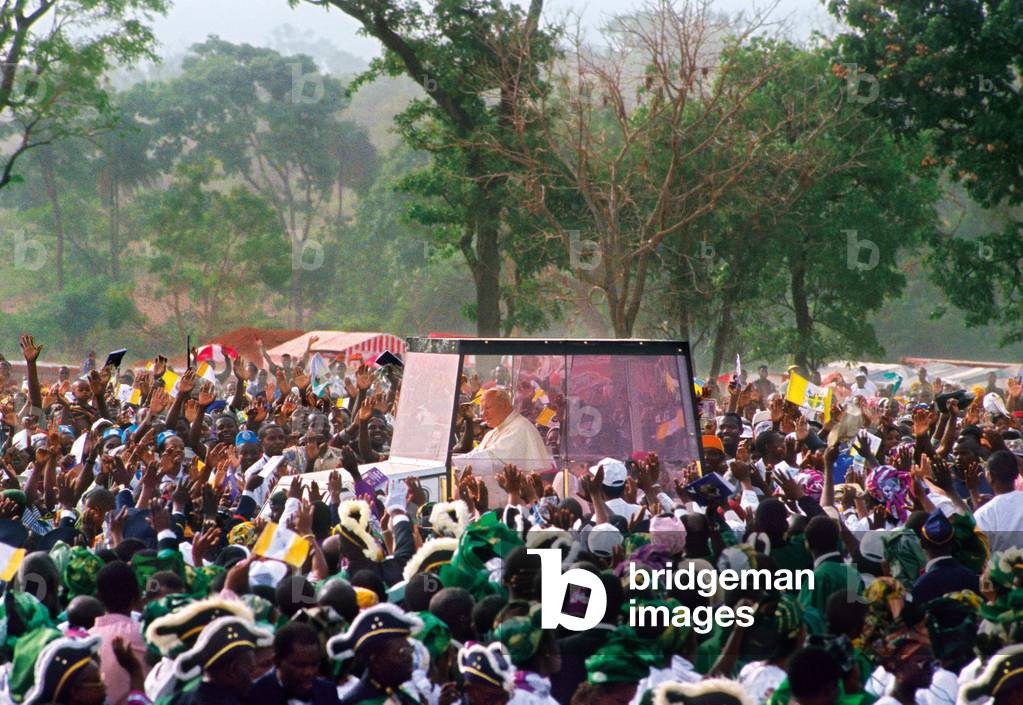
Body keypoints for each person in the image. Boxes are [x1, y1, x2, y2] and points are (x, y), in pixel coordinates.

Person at [452, 389, 553, 474]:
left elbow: (492, 459)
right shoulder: (493, 432)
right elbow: (475, 454)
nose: (483, 414)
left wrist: (455, 463)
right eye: (482, 409)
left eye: (487, 408)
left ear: (504, 405)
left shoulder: (520, 428)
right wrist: (453, 462)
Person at [250, 622, 341, 705]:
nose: (309, 672)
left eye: (314, 664)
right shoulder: (255, 695)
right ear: (277, 661)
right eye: (300, 665)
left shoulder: (327, 691)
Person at [973, 449, 1023, 553]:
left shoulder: (983, 514)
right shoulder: (984, 513)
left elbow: (981, 553)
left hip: (1000, 567)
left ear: (989, 476)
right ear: (1016, 474)